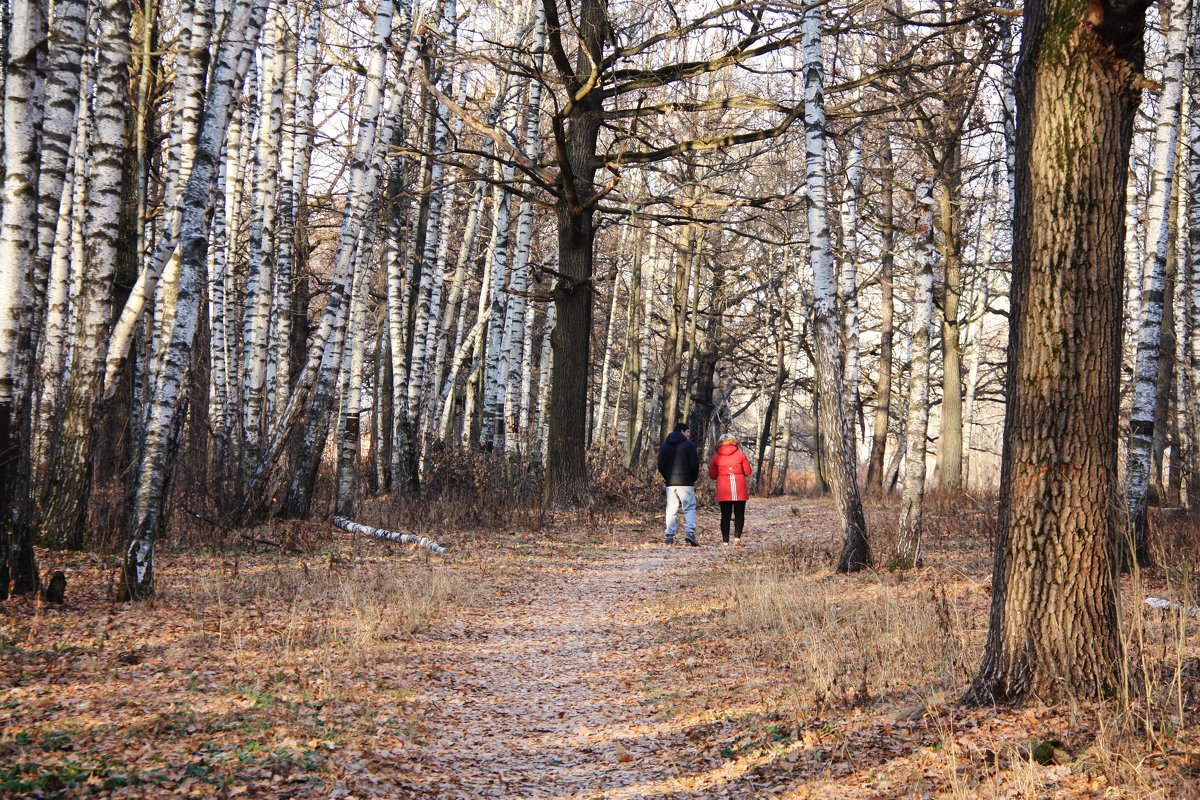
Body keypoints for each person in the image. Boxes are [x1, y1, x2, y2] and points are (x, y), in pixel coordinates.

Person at [658, 422, 699, 546]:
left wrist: (667, 477)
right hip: (686, 482)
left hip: (671, 483)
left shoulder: (665, 446)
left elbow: (660, 465)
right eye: (687, 432)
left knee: (671, 509)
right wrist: (693, 478)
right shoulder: (689, 446)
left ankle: (669, 535)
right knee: (689, 508)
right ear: (682, 431)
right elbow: (694, 464)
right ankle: (690, 533)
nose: (688, 434)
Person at [709, 432, 752, 546]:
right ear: (734, 442)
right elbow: (748, 471)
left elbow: (712, 475)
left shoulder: (717, 456)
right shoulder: (740, 454)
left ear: (720, 442)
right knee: (739, 513)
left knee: (725, 515)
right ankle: (737, 538)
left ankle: (725, 542)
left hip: (724, 488)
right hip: (739, 487)